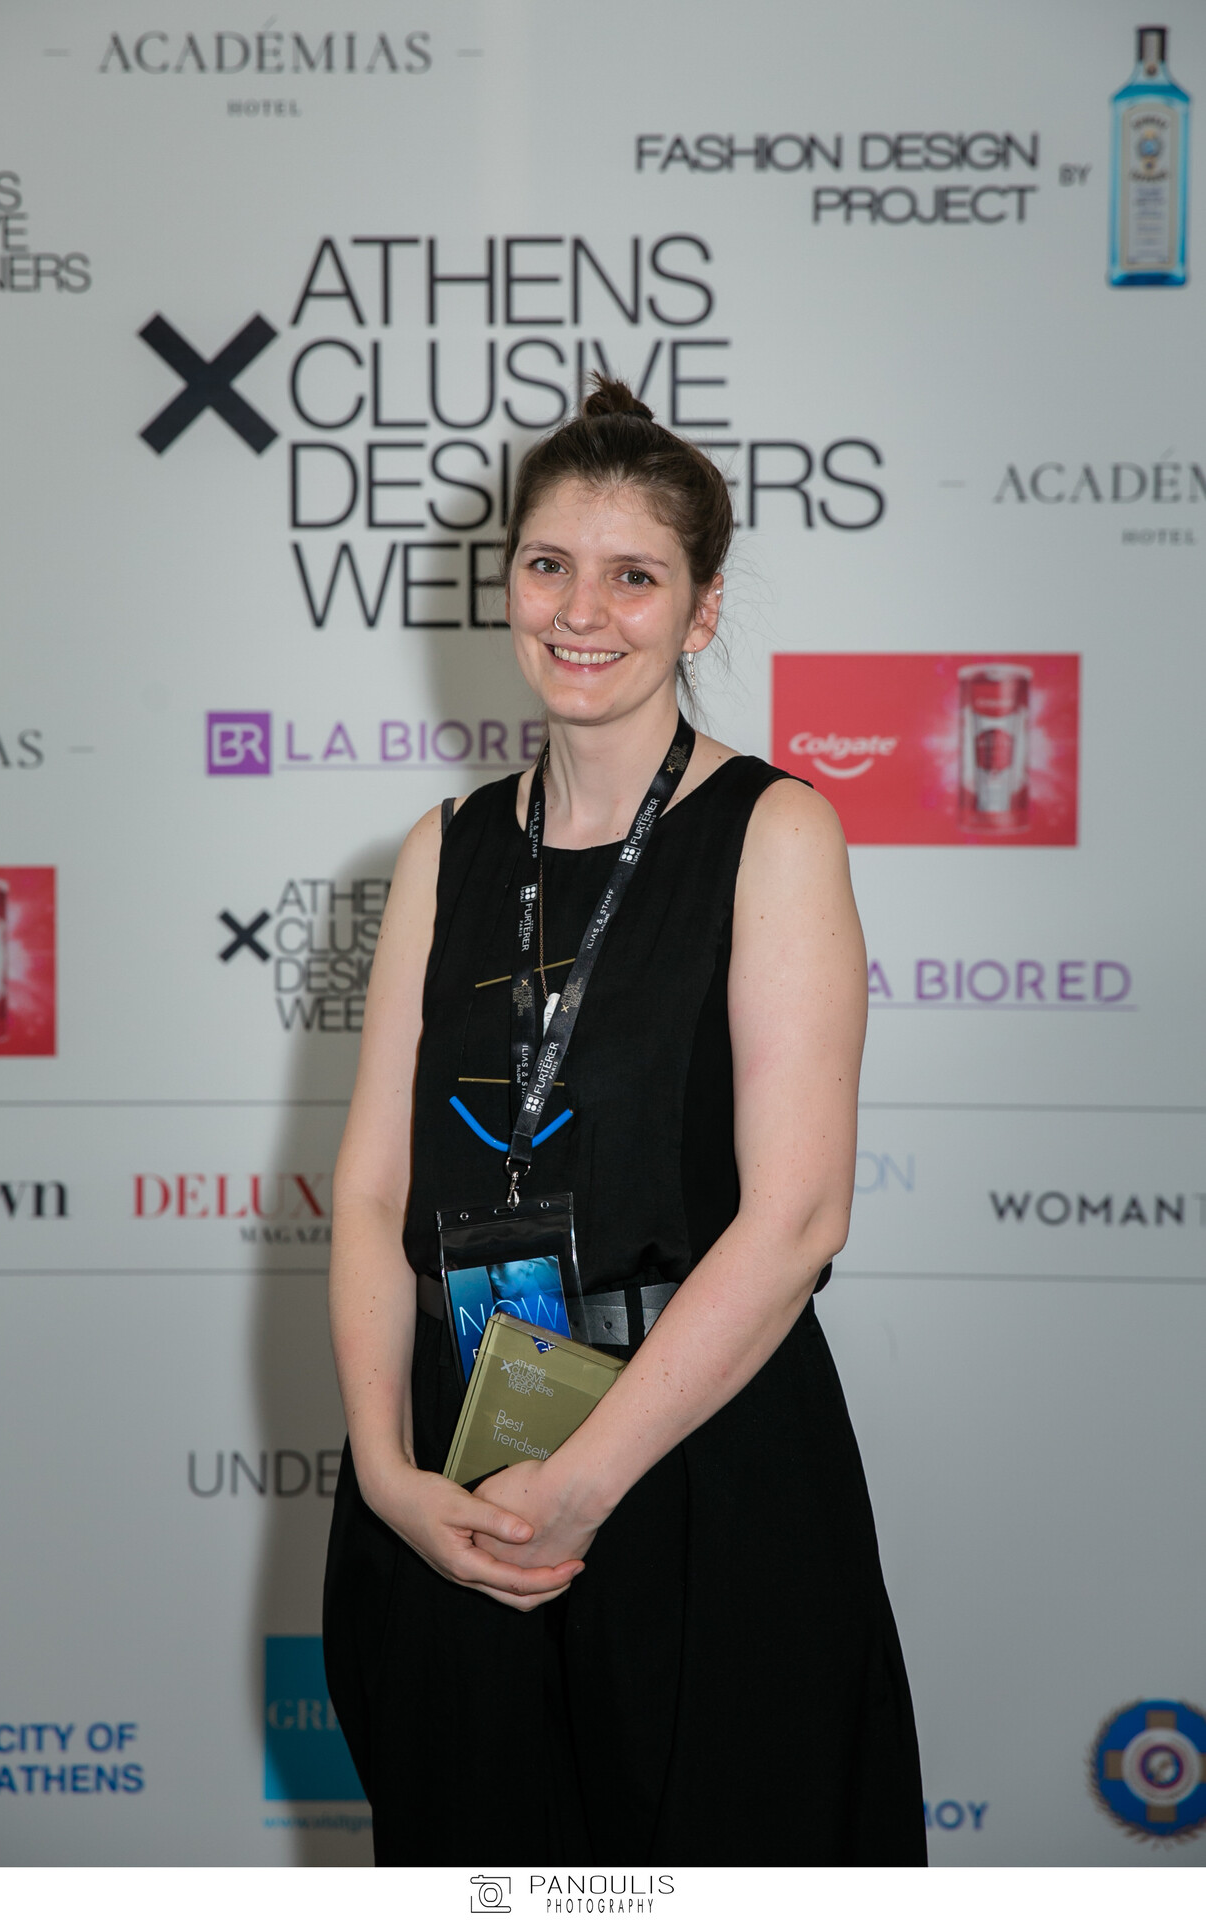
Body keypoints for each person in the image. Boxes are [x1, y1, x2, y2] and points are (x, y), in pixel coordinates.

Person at [323, 378, 926, 1866]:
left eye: (634, 576)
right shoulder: (445, 846)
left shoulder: (773, 830)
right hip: (456, 1467)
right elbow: (372, 1192)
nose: (581, 611)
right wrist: (389, 1475)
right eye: (549, 565)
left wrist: (583, 1483)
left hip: (694, 1458)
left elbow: (797, 1218)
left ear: (701, 611)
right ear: (507, 585)